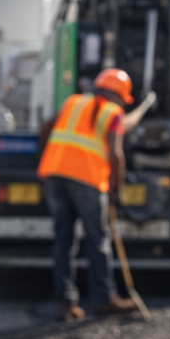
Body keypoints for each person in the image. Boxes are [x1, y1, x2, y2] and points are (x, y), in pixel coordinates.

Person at [36, 68, 142, 321]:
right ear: (119, 96)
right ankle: (104, 299)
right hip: (86, 180)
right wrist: (116, 185)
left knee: (63, 240)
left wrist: (44, 160)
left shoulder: (72, 102)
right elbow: (116, 154)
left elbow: (45, 128)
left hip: (56, 175)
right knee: (98, 240)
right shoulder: (113, 113)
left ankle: (65, 302)